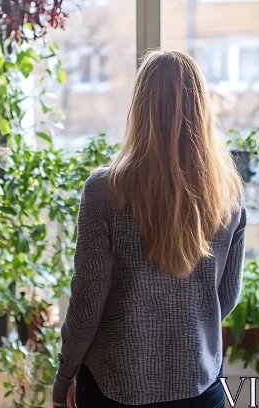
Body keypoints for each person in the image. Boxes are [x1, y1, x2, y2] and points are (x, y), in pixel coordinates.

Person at [52, 50, 247, 408]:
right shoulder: (228, 194)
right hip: (199, 387)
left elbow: (87, 301)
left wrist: (64, 376)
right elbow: (228, 295)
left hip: (114, 387)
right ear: (202, 109)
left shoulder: (105, 191)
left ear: (140, 108)